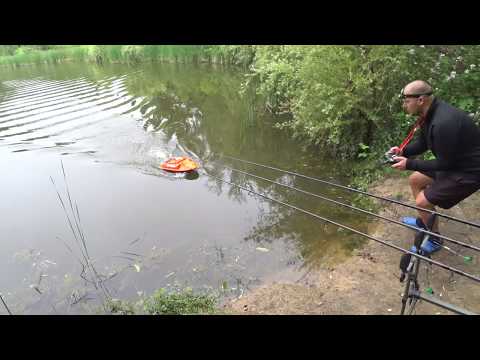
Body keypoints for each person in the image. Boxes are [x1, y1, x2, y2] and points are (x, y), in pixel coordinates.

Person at [389, 80, 480, 253]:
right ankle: (424, 222)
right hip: (454, 163)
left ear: (421, 100)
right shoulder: (429, 114)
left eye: (407, 100)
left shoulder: (444, 122)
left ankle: (435, 239)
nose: (404, 104)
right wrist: (403, 151)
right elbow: (424, 142)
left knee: (422, 201)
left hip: (469, 171)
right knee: (415, 180)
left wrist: (409, 163)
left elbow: (446, 164)